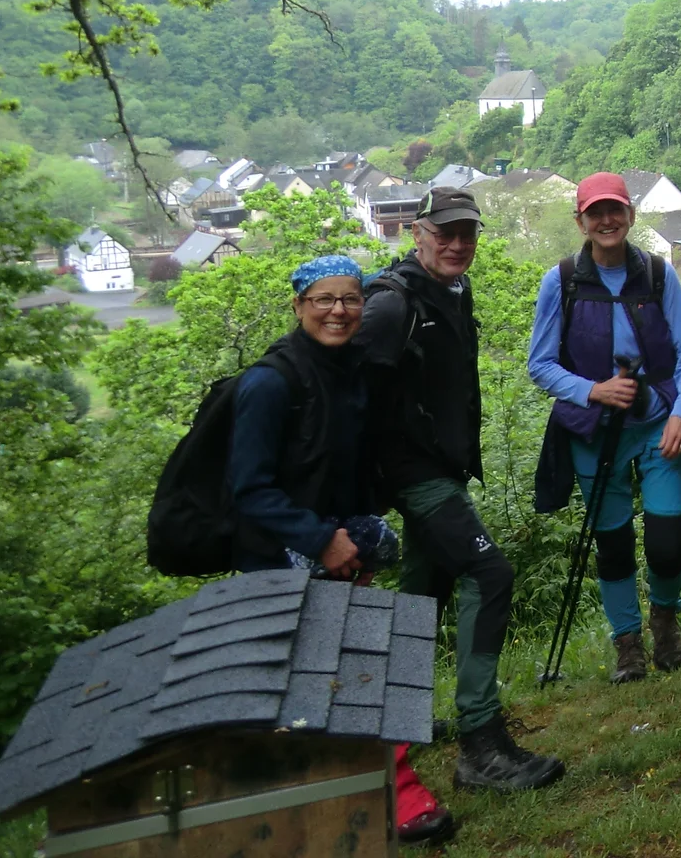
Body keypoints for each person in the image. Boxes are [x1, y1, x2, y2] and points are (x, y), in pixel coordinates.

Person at [231, 255, 451, 845]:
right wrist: (319, 540)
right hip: (282, 560)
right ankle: (311, 807)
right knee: (302, 685)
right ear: (300, 305)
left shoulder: (354, 370)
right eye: (324, 299)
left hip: (343, 546)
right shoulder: (267, 384)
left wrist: (354, 533)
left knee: (365, 665)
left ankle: (397, 787)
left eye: (350, 298)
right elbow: (246, 489)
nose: (339, 310)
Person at [361, 186, 564, 793]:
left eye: (466, 234)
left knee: (423, 591)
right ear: (415, 233)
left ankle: (399, 725)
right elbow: (351, 395)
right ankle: (480, 743)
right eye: (443, 233)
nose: (456, 244)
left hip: (439, 467)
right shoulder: (391, 304)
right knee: (488, 575)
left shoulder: (451, 288)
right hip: (410, 472)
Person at [528, 173, 681, 683]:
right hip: (592, 429)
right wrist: (594, 390)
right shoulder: (560, 281)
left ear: (629, 214)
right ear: (579, 220)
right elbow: (540, 365)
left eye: (615, 210)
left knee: (667, 539)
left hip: (656, 421)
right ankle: (627, 643)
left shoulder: (655, 274)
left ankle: (665, 619)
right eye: (595, 212)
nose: (606, 221)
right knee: (614, 541)